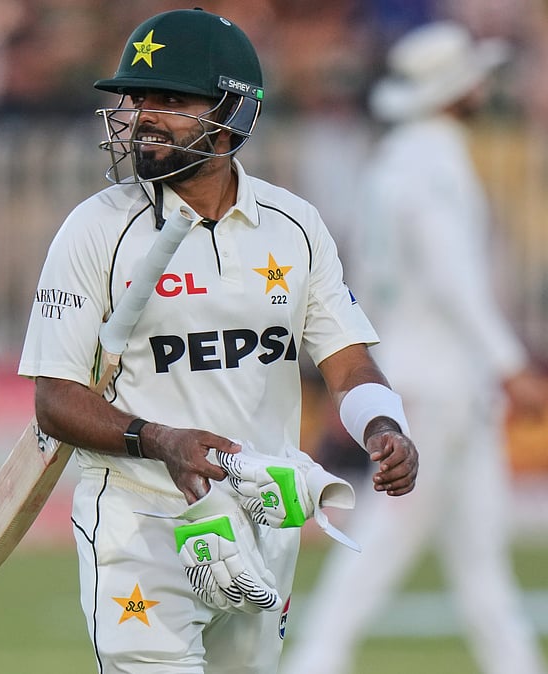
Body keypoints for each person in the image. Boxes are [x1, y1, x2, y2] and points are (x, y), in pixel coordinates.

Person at [16, 9, 419, 673]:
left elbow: (348, 361)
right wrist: (163, 441)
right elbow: (55, 401)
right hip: (139, 525)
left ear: (234, 111)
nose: (144, 115)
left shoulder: (294, 226)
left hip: (263, 516)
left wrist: (384, 425)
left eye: (170, 99)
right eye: (136, 98)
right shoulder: (95, 230)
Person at [279, 21, 548, 674]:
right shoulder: (433, 163)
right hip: (439, 381)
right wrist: (512, 365)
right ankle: (313, 662)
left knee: (478, 553)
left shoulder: (399, 158)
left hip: (432, 375)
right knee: (392, 534)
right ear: (457, 91)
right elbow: (452, 276)